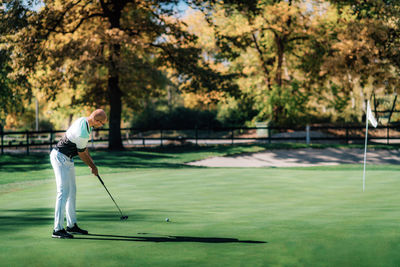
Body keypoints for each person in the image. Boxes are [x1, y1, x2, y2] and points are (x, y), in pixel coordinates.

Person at [50, 109, 107, 239]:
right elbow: (81, 153)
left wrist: (93, 164)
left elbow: (84, 148)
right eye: (102, 123)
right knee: (63, 192)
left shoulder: (85, 123)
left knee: (72, 191)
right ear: (97, 121)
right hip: (59, 157)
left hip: (68, 158)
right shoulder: (83, 131)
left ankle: (71, 225)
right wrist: (92, 167)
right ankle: (57, 229)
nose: (102, 126)